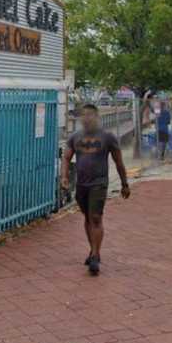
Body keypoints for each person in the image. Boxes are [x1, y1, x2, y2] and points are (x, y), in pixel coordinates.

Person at [61, 104, 131, 276]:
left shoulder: (107, 137)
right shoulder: (75, 137)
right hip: (81, 184)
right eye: (84, 115)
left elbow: (118, 162)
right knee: (87, 217)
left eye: (90, 115)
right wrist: (64, 177)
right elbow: (66, 157)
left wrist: (124, 183)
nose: (87, 118)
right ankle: (92, 249)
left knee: (96, 217)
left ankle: (95, 255)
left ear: (97, 117)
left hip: (99, 183)